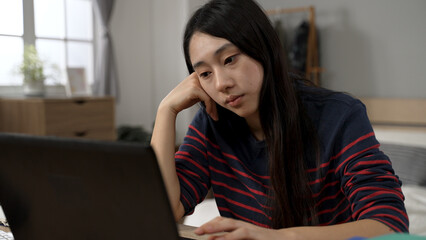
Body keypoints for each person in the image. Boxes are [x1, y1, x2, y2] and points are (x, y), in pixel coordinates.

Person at [150, 0, 408, 239]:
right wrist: (166, 110)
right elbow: (164, 210)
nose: (221, 84)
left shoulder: (340, 116)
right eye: (205, 73)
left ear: (263, 49)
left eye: (230, 59)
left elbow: (390, 226)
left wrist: (279, 237)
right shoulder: (212, 124)